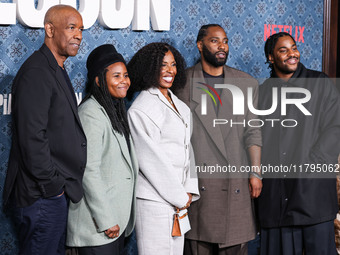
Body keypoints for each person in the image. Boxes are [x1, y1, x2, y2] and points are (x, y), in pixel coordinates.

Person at [2, 5, 86, 255]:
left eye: (81, 29)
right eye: (71, 27)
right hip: (41, 197)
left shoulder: (56, 68)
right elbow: (32, 138)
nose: (79, 35)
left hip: (50, 197)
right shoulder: (37, 72)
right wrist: (53, 188)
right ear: (49, 29)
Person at [176, 24, 262, 255]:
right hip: (198, 190)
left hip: (236, 186)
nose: (221, 45)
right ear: (200, 44)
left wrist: (255, 172)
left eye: (224, 40)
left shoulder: (246, 83)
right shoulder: (181, 83)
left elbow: (253, 131)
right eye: (214, 41)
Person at [258, 32, 340, 255]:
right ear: (271, 58)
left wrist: (312, 166)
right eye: (283, 50)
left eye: (293, 48)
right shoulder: (263, 92)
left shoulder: (319, 82)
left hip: (313, 195)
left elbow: (335, 127)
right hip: (276, 201)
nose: (292, 53)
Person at [127, 42, 200, 255]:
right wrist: (179, 196)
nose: (170, 70)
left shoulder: (180, 105)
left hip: (178, 200)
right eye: (163, 65)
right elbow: (150, 161)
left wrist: (188, 190)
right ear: (150, 69)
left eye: (173, 64)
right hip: (153, 201)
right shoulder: (142, 108)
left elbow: (188, 150)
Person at [66, 44, 138, 255]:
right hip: (96, 226)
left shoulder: (114, 110)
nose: (124, 81)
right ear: (99, 81)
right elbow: (89, 171)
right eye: (116, 76)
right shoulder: (91, 114)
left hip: (115, 224)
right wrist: (106, 220)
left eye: (125, 75)